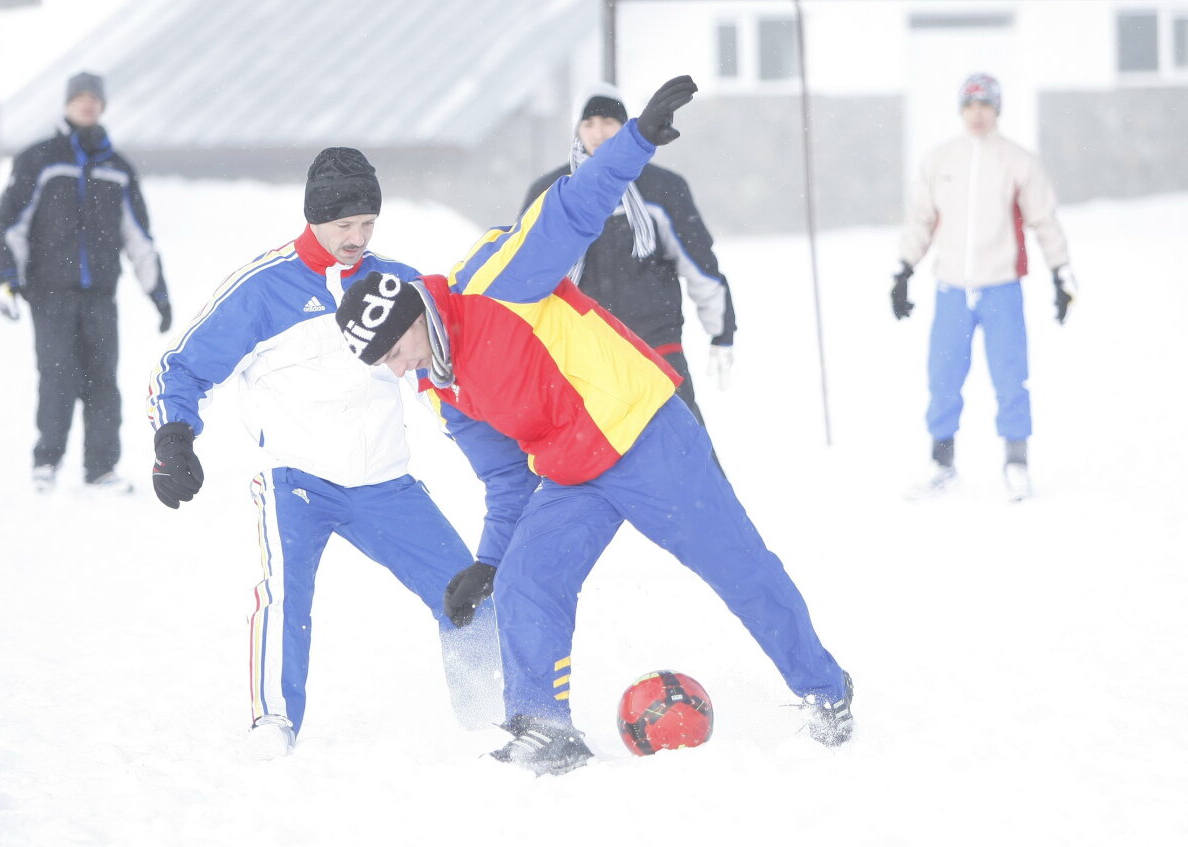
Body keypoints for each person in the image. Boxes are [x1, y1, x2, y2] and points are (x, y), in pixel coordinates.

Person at [336, 77, 853, 777]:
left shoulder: (492, 283)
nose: (400, 372)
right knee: (527, 578)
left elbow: (573, 209)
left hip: (645, 433)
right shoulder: (440, 384)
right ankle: (543, 727)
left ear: (413, 321)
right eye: (387, 366)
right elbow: (505, 477)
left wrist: (635, 139)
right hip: (574, 472)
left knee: (737, 565)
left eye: (396, 354)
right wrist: (489, 561)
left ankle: (826, 691)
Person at [146, 147, 501, 760]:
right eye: (344, 226)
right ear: (313, 218)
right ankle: (273, 725)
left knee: (465, 592)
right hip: (295, 480)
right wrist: (174, 438)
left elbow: (449, 365)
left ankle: (492, 713)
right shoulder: (263, 288)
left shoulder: (396, 281)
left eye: (367, 224)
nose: (357, 239)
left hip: (385, 481)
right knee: (284, 598)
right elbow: (183, 368)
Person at [892, 72, 1077, 502]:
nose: (977, 113)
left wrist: (1061, 275)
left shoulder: (1017, 161)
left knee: (1011, 378)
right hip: (951, 289)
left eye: (986, 104)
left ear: (997, 110)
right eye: (970, 104)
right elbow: (921, 220)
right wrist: (902, 271)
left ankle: (1016, 462)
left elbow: (1044, 220)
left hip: (1001, 289)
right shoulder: (940, 160)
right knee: (943, 378)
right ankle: (942, 462)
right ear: (961, 110)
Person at [520, 82, 736, 431]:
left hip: (655, 343)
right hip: (580, 351)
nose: (598, 132)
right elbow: (524, 274)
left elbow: (698, 264)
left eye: (608, 121)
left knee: (683, 446)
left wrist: (721, 330)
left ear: (627, 127)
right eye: (588, 123)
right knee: (593, 462)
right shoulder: (552, 192)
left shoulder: (661, 187)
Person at [0, 71, 172, 495]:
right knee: (57, 376)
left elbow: (138, 237)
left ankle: (100, 468)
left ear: (103, 106)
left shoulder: (117, 168)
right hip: (49, 291)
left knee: (102, 380)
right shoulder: (39, 158)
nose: (87, 104)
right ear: (67, 103)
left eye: (94, 99)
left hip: (100, 294)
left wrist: (158, 293)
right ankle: (47, 462)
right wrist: (8, 279)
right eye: (80, 98)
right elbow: (10, 224)